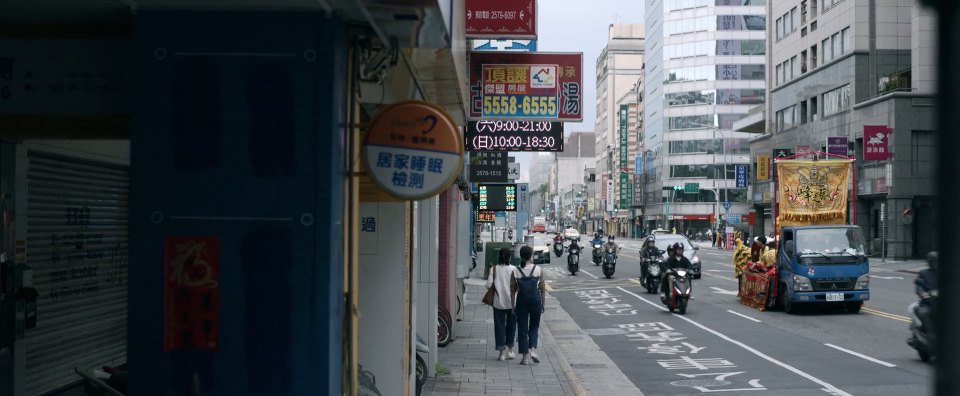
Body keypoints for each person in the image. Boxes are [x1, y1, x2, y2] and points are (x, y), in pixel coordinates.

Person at [511, 246, 546, 365]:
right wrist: (543, 303)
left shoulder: (515, 271)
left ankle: (525, 358)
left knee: (522, 328)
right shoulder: (538, 269)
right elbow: (542, 289)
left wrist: (512, 306)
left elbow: (512, 291)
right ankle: (533, 350)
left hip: (521, 302)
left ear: (520, 256)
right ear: (531, 256)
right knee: (534, 326)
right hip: (535, 301)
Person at [487, 248, 517, 361]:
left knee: (499, 327)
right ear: (510, 257)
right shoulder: (514, 269)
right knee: (511, 326)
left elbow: (488, 285)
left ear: (499, 256)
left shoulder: (494, 269)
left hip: (498, 303)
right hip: (512, 303)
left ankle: (501, 354)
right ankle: (510, 351)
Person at [914, 251, 938, 331]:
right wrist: (922, 293)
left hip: (941, 303)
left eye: (935, 261)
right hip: (927, 303)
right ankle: (930, 332)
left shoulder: (943, 273)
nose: (933, 263)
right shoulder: (924, 273)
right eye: (930, 261)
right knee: (923, 312)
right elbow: (919, 285)